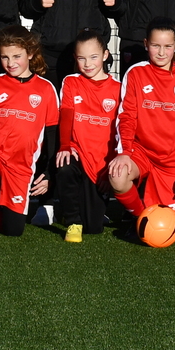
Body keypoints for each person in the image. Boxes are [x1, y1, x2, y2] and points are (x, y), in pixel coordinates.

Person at [0, 25, 59, 238]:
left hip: (21, 164)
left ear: (30, 53)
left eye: (16, 56)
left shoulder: (46, 89)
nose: (10, 63)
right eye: (5, 57)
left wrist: (49, 172)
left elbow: (52, 134)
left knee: (13, 230)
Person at [107, 19, 175, 215]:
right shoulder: (136, 73)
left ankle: (154, 213)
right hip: (140, 152)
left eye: (167, 46)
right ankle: (139, 216)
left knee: (164, 223)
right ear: (146, 44)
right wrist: (124, 152)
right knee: (118, 176)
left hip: (171, 160)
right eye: (155, 45)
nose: (161, 52)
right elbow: (127, 117)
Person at [54, 30, 121, 243]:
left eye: (93, 57)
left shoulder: (119, 89)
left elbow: (120, 132)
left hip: (101, 162)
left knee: (93, 227)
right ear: (75, 58)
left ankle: (78, 211)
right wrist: (65, 145)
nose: (88, 64)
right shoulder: (71, 82)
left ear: (105, 55)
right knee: (65, 165)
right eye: (82, 58)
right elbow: (66, 116)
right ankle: (72, 221)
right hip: (77, 152)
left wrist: (110, 167)